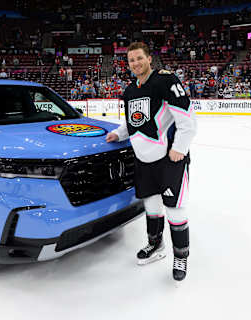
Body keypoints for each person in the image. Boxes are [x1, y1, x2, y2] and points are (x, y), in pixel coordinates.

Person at [105, 42, 197, 281]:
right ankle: (156, 246)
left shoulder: (166, 80)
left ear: (149, 58)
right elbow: (133, 122)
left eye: (139, 58)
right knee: (152, 207)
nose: (135, 63)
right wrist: (119, 133)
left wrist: (179, 147)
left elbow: (188, 118)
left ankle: (181, 255)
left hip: (169, 159)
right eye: (131, 60)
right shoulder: (129, 90)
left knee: (175, 209)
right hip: (144, 161)